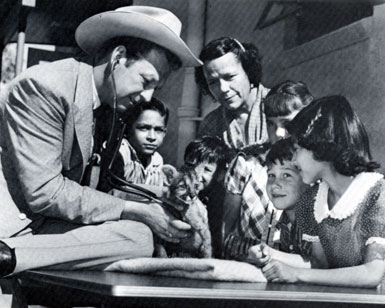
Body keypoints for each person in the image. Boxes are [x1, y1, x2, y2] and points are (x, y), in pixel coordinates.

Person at [0, 6, 201, 275]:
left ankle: (20, 258)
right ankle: (8, 256)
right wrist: (135, 210)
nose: (148, 96)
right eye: (145, 80)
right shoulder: (44, 87)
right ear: (118, 58)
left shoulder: (112, 107)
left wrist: (161, 198)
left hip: (50, 228)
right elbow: (45, 193)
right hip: (16, 225)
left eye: (156, 88)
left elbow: (99, 191)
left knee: (140, 238)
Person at [261, 95, 385, 288]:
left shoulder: (377, 193)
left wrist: (297, 274)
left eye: (297, 150)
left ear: (321, 147)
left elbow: (372, 274)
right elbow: (321, 265)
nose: (293, 160)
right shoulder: (312, 200)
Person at [222, 81, 313, 260]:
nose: (278, 133)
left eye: (287, 124)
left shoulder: (315, 167)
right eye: (271, 124)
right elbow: (226, 227)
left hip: (296, 261)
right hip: (247, 257)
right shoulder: (246, 162)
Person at [195, 37, 269, 150]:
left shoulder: (283, 104)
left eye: (229, 77)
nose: (223, 89)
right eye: (213, 82)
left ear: (249, 71)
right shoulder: (211, 125)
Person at [248, 138, 311, 268]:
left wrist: (272, 255)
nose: (275, 185)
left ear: (308, 178)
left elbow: (317, 264)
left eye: (286, 175)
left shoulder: (313, 216)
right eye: (271, 176)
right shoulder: (284, 218)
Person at [183, 136, 231, 257]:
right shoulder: (181, 192)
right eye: (191, 165)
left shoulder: (219, 200)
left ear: (220, 175)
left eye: (207, 170)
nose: (197, 174)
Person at [109, 98, 169, 187]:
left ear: (164, 133)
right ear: (128, 129)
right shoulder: (119, 152)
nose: (152, 137)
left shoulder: (157, 160)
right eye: (143, 128)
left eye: (158, 130)